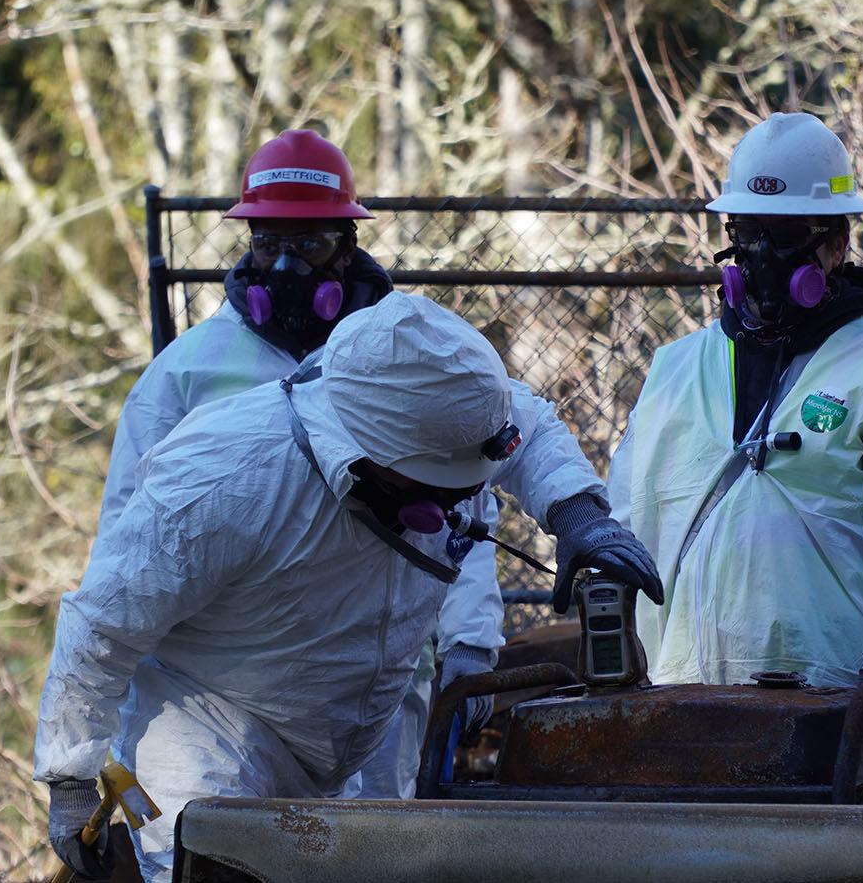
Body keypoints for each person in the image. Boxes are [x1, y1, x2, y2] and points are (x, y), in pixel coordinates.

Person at [92, 129, 647, 802]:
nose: (285, 266)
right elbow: (124, 553)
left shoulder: (405, 348)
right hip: (224, 696)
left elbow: (497, 439)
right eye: (267, 243)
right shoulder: (186, 376)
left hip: (379, 686)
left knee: (373, 845)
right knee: (219, 845)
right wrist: (99, 731)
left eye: (309, 243)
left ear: (347, 244)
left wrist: (570, 518)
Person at [37, 293, 663, 882]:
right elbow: (103, 626)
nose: (452, 505)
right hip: (204, 729)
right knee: (215, 866)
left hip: (343, 737)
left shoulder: (450, 407)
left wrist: (577, 513)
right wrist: (71, 775)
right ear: (369, 456)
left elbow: (528, 429)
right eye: (437, 487)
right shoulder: (223, 480)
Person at [609, 112, 863, 750]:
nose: (762, 256)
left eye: (786, 235)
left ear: (837, 243)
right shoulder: (676, 370)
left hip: (833, 715)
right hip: (678, 709)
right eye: (748, 232)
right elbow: (627, 522)